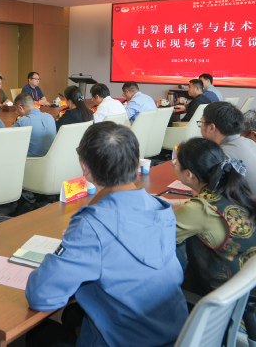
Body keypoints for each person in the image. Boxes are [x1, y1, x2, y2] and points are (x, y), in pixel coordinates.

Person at [25, 123, 187, 347]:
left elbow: (41, 295)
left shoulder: (92, 225)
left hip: (119, 340)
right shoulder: (161, 209)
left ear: (85, 167)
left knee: (38, 336)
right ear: (136, 163)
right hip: (175, 334)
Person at [170, 138, 256, 335]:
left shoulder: (200, 210)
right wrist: (176, 204)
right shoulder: (235, 190)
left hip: (242, 315)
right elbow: (204, 211)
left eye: (176, 163)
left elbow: (155, 237)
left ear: (189, 174)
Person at [199, 102, 256, 246]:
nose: (200, 128)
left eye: (201, 123)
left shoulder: (224, 156)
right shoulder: (249, 143)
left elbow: (207, 200)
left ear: (211, 127)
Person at [11, 92, 56, 157]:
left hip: (31, 160)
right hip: (51, 158)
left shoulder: (22, 121)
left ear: (20, 108)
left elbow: (7, 137)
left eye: (17, 110)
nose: (17, 113)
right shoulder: (50, 117)